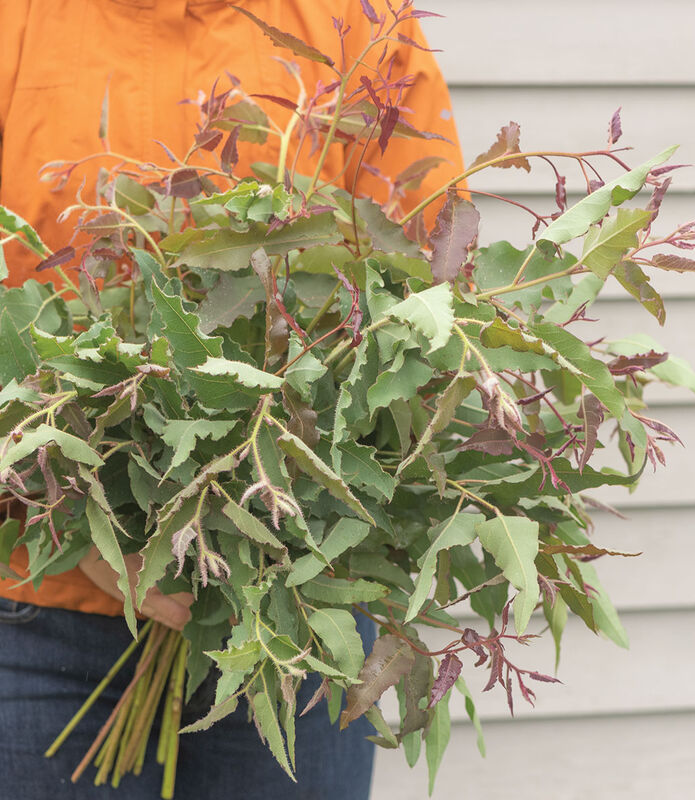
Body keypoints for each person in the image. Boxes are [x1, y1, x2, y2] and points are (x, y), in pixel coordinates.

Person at [0, 2, 464, 798]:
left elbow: (430, 290)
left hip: (292, 616)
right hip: (38, 614)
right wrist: (80, 526)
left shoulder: (359, 25)